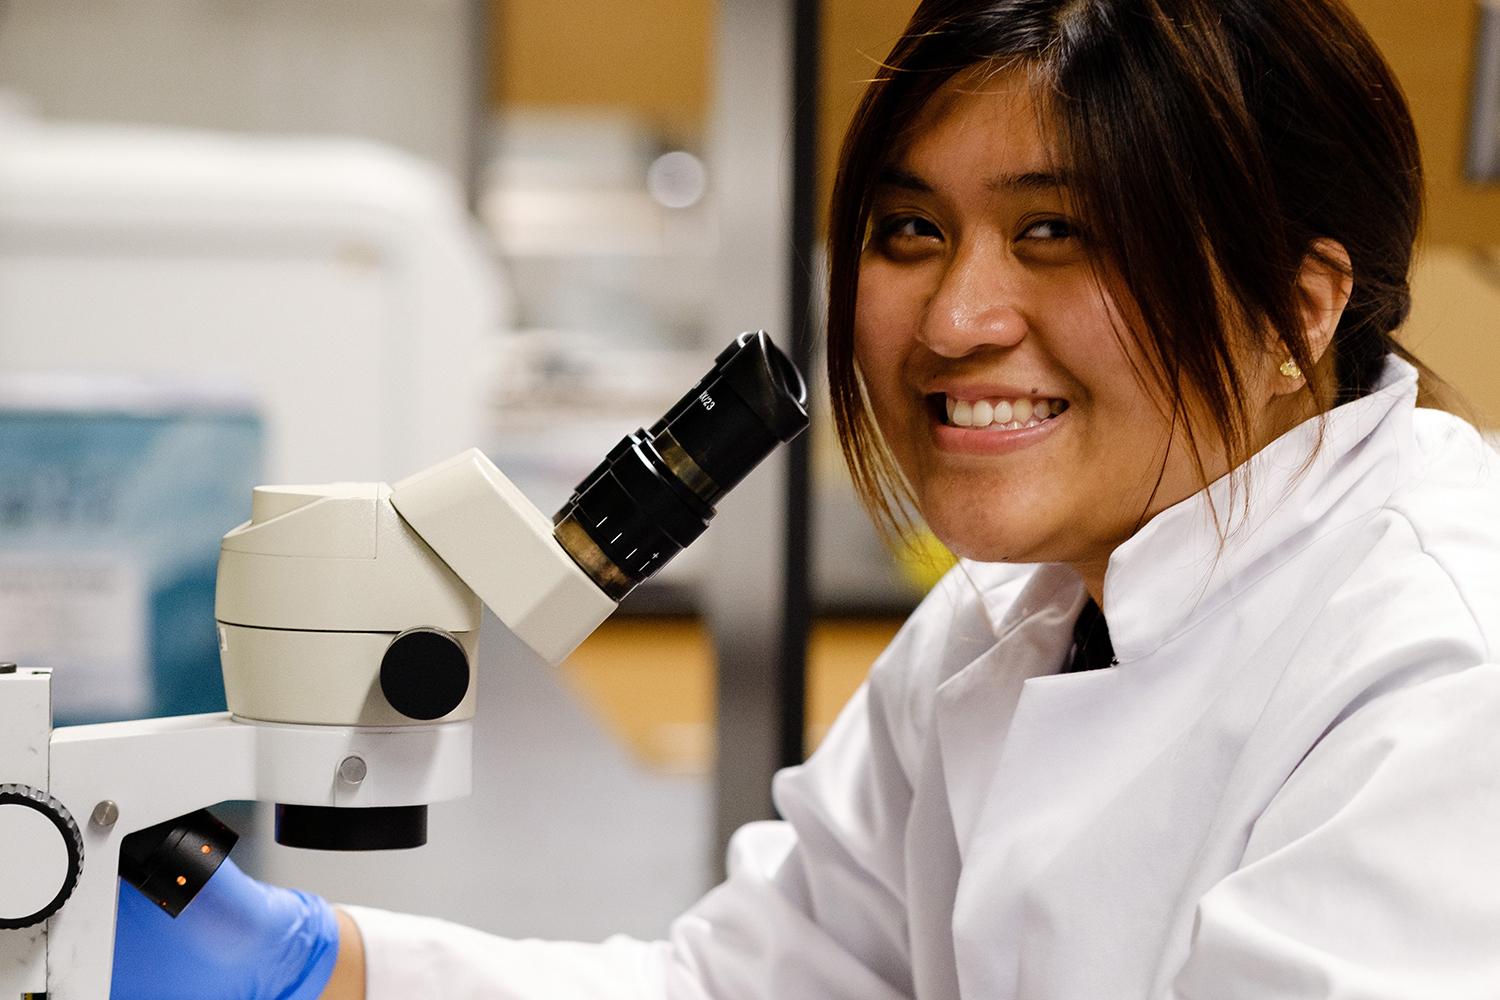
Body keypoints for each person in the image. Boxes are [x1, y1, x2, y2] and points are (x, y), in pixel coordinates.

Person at [113, 0, 1500, 997]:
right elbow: (741, 987)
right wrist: (318, 967)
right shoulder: (1008, 615)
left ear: (1296, 308)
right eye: (911, 230)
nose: (953, 315)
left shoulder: (1440, 670)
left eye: (1055, 233)